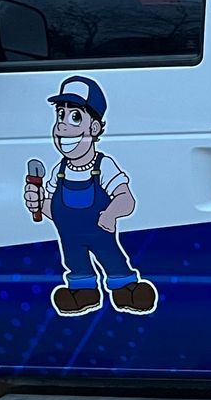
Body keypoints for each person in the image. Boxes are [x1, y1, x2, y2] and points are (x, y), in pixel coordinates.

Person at [22, 76, 158, 316]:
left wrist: (111, 213)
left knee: (112, 258)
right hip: (70, 237)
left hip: (100, 231)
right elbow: (54, 209)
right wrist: (37, 202)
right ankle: (83, 292)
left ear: (93, 128)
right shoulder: (59, 170)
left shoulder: (103, 166)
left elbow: (126, 198)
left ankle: (125, 289)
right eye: (60, 116)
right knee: (76, 262)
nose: (62, 126)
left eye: (74, 117)